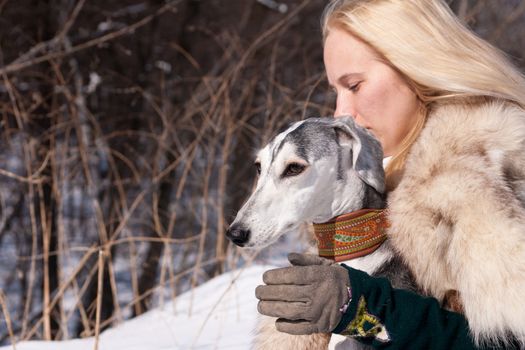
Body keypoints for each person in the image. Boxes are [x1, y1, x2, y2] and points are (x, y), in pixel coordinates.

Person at [255, 0, 525, 349]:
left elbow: (505, 344)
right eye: (334, 91)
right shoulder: (373, 187)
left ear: (415, 69)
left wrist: (367, 310)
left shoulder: (481, 179)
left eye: (354, 86)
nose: (341, 113)